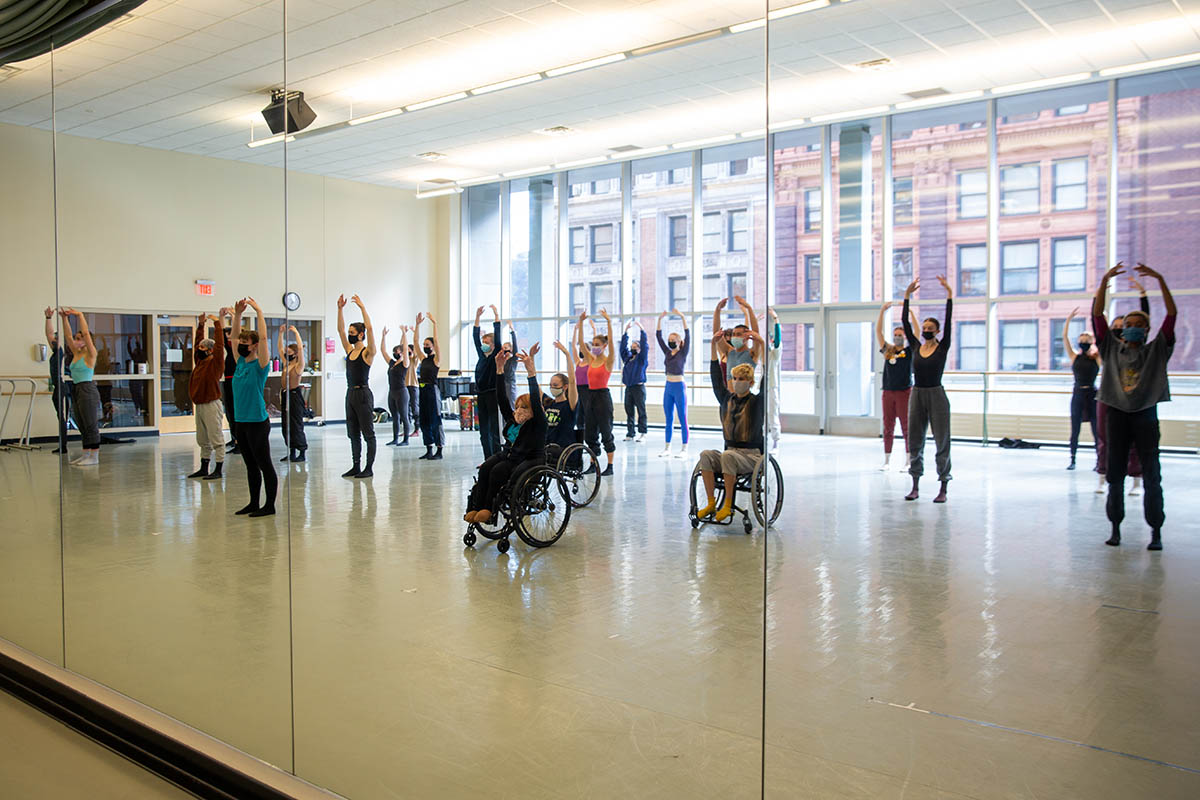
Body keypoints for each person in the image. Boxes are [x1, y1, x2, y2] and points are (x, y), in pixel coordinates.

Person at [1092, 263, 1175, 551]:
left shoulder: (1157, 350)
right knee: (1115, 473)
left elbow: (1171, 316)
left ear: (1147, 330)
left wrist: (1161, 280)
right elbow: (1097, 315)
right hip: (1117, 413)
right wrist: (1104, 282)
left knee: (1152, 472)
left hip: (1145, 415)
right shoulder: (1111, 349)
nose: (1134, 328)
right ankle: (1115, 527)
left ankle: (1156, 531)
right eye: (1130, 324)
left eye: (1140, 325)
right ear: (1123, 329)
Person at [465, 345, 548, 525]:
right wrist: (499, 369)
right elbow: (501, 398)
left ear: (534, 409)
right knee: (486, 467)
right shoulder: (513, 420)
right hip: (510, 456)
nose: (518, 411)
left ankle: (489, 510)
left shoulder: (538, 422)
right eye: (517, 406)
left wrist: (531, 371)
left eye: (523, 407)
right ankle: (476, 507)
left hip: (530, 459)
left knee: (497, 471)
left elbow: (535, 397)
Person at [1093, 283, 1152, 495]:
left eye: (1122, 325)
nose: (1119, 329)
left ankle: (1136, 479)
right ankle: (1103, 476)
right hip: (1109, 397)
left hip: (1133, 398)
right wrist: (1098, 294)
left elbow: (1146, 319)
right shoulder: (1107, 346)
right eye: (1116, 326)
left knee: (1135, 442)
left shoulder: (1140, 349)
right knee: (1104, 439)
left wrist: (1143, 294)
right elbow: (1096, 318)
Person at [695, 348, 766, 523]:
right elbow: (716, 380)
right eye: (735, 379)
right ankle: (711, 503)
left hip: (751, 456)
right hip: (730, 453)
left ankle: (727, 505)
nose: (737, 382)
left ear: (750, 382)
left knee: (728, 456)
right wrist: (712, 347)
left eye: (742, 379)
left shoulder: (757, 402)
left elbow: (768, 380)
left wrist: (762, 347)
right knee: (705, 455)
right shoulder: (726, 399)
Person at [902, 276, 953, 503]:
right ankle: (915, 485)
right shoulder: (915, 346)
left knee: (942, 440)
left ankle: (943, 486)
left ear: (937, 331)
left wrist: (950, 295)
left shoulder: (942, 348)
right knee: (915, 440)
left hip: (936, 394)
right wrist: (906, 297)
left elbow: (950, 321)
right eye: (924, 328)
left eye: (930, 329)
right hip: (918, 394)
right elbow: (904, 323)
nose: (926, 331)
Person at [230, 297, 276, 517]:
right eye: (241, 342)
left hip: (257, 421)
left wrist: (259, 311)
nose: (241, 344)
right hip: (241, 421)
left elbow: (265, 337)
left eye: (246, 342)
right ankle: (254, 503)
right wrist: (238, 315)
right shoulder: (239, 361)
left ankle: (270, 506)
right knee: (250, 465)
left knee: (264, 464)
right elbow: (233, 338)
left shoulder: (260, 364)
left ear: (255, 345)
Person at [876, 299, 918, 471]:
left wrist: (911, 314)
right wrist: (882, 312)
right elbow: (878, 332)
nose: (898, 337)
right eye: (896, 334)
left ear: (905, 337)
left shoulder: (908, 351)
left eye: (901, 335)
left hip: (904, 392)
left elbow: (916, 332)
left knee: (906, 426)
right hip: (888, 392)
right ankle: (887, 460)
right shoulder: (889, 351)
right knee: (888, 426)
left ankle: (908, 460)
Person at [337, 294, 377, 478]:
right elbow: (340, 330)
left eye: (353, 333)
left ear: (361, 335)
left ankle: (368, 468)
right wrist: (340, 309)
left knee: (368, 433)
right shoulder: (350, 350)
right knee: (353, 433)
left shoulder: (368, 352)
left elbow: (369, 327)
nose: (349, 335)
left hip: (363, 394)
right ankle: (355, 465)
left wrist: (362, 307)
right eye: (350, 333)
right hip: (350, 394)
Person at [473, 304, 518, 458]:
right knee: (483, 430)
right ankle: (487, 458)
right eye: (483, 342)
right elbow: (475, 337)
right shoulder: (481, 356)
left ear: (493, 345)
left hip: (493, 394)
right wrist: (477, 318)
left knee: (494, 429)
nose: (483, 345)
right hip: (481, 394)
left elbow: (498, 337)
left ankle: (496, 457)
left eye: (486, 342)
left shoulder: (495, 357)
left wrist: (496, 316)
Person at [187, 311, 227, 480]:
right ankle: (204, 467)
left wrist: (217, 324)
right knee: (202, 439)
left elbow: (219, 346)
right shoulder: (201, 362)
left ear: (210, 350)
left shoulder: (215, 363)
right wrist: (201, 325)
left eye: (204, 347)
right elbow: (197, 344)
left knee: (216, 438)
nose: (200, 349)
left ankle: (218, 469)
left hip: (212, 404)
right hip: (200, 405)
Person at [58, 308, 100, 466]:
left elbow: (87, 334)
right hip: (76, 389)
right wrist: (64, 319)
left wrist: (80, 316)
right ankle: (86, 454)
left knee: (90, 424)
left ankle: (94, 457)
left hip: (87, 389)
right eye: (76, 338)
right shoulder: (76, 353)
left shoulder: (91, 354)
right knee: (81, 423)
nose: (75, 340)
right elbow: (68, 336)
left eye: (79, 338)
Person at [578, 309, 615, 476]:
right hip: (590, 396)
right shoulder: (591, 360)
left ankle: (610, 465)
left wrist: (608, 322)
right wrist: (580, 323)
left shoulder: (608, 361)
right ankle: (593, 463)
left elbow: (613, 342)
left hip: (603, 397)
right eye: (593, 344)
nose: (594, 347)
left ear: (604, 346)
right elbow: (580, 343)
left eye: (597, 344)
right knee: (590, 432)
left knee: (606, 431)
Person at [1062, 307, 1099, 472]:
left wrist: (1098, 319)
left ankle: (1100, 459)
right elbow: (1064, 338)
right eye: (1081, 339)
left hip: (1092, 394)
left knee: (1096, 429)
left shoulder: (1097, 358)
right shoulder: (1074, 356)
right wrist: (1069, 319)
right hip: (1077, 393)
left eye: (1086, 339)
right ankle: (1073, 459)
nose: (1083, 341)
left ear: (1091, 342)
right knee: (1075, 428)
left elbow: (1102, 339)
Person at [656, 308, 690, 458]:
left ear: (678, 342)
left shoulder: (683, 352)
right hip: (668, 386)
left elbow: (688, 335)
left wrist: (682, 316)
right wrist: (659, 320)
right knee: (668, 418)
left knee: (682, 417)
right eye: (669, 340)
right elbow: (658, 337)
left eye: (673, 340)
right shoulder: (667, 352)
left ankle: (684, 449)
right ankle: (667, 447)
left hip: (679, 386)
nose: (670, 342)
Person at [413, 311, 444, 460]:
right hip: (422, 390)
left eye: (427, 344)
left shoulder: (436, 360)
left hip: (432, 390)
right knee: (424, 420)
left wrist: (435, 324)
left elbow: (437, 341)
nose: (425, 346)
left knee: (435, 420)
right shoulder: (423, 359)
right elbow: (415, 341)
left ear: (432, 346)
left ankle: (439, 449)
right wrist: (418, 325)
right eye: (424, 345)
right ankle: (428, 448)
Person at [277, 324, 307, 463]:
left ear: (295, 354)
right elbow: (279, 349)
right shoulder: (286, 364)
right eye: (286, 353)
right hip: (285, 395)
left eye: (289, 353)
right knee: (286, 425)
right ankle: (291, 451)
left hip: (294, 396)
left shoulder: (298, 366)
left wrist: (296, 334)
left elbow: (300, 349)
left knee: (296, 424)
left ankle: (302, 451)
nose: (286, 354)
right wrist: (281, 334)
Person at [43, 306, 71, 454]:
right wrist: (48, 318)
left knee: (62, 418)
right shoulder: (56, 352)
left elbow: (49, 335)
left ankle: (64, 446)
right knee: (60, 418)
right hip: (57, 387)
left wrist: (50, 319)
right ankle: (63, 445)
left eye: (54, 338)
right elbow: (48, 334)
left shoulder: (59, 351)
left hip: (61, 387)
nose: (51, 339)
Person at [546, 341, 581, 454]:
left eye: (555, 385)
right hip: (547, 445)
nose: (552, 387)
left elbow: (572, 379)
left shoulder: (570, 403)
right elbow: (536, 388)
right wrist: (530, 360)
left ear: (565, 387)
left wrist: (566, 353)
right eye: (551, 385)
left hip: (563, 448)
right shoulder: (549, 403)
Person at [714, 296, 762, 375]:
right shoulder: (729, 351)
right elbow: (716, 334)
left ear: (746, 337)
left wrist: (749, 309)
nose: (735, 337)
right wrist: (717, 310)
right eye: (734, 334)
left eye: (738, 334)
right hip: (725, 387)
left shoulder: (752, 353)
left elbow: (756, 334)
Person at [381, 325, 412, 447]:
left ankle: (406, 440)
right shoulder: (392, 363)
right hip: (392, 392)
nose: (395, 353)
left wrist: (404, 333)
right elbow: (383, 351)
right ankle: (395, 439)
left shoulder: (405, 362)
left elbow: (405, 348)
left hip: (402, 392)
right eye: (394, 352)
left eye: (397, 351)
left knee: (404, 416)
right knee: (395, 417)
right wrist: (383, 336)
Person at [619, 319, 648, 442]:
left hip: (638, 387)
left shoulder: (641, 359)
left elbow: (645, 344)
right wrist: (626, 332)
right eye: (632, 347)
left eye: (636, 347)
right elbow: (622, 348)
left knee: (641, 411)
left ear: (639, 349)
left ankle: (643, 433)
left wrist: (641, 330)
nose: (633, 348)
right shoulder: (627, 358)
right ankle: (630, 433)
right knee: (629, 410)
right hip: (629, 388)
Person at [221, 308, 239, 454]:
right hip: (227, 380)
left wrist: (234, 316)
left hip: (235, 381)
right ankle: (234, 437)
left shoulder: (238, 351)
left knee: (235, 411)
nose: (228, 340)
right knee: (229, 411)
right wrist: (221, 317)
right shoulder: (229, 352)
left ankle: (239, 440)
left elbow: (235, 334)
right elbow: (222, 335)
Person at [766, 308, 783, 455]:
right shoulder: (763, 354)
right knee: (761, 415)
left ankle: (776, 442)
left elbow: (778, 340)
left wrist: (775, 319)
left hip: (772, 387)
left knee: (773, 415)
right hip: (762, 386)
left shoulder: (775, 354)